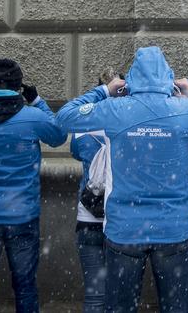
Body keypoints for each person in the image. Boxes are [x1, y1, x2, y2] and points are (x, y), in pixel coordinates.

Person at [56, 46, 188, 313]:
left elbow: (63, 118)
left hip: (125, 229)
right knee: (176, 307)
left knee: (120, 307)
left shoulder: (115, 109)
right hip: (173, 228)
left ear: (132, 78)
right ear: (167, 77)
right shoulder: (185, 109)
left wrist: (104, 90)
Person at [0, 58, 66, 313]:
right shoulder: (32, 116)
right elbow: (59, 135)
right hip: (23, 214)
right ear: (20, 85)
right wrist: (38, 101)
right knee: (25, 287)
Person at [70, 69, 119, 313]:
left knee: (94, 294)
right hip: (119, 219)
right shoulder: (125, 126)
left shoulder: (82, 126)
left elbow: (76, 151)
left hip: (88, 216)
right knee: (120, 294)